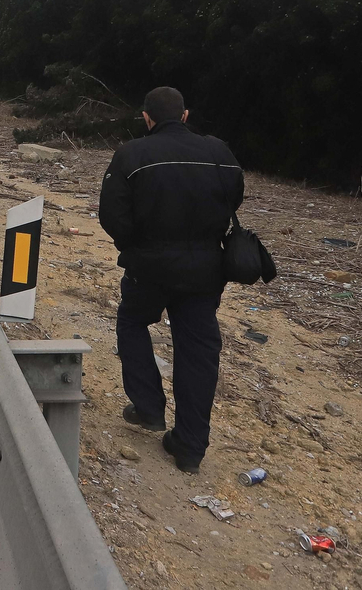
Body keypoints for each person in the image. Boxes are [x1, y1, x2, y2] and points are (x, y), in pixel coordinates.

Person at [98, 86, 243, 474]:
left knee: (132, 322)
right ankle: (190, 446)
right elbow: (235, 198)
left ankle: (147, 408)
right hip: (205, 270)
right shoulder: (219, 153)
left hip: (149, 267)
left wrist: (134, 244)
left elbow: (112, 215)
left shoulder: (131, 154)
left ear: (146, 118)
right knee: (198, 351)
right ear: (184, 115)